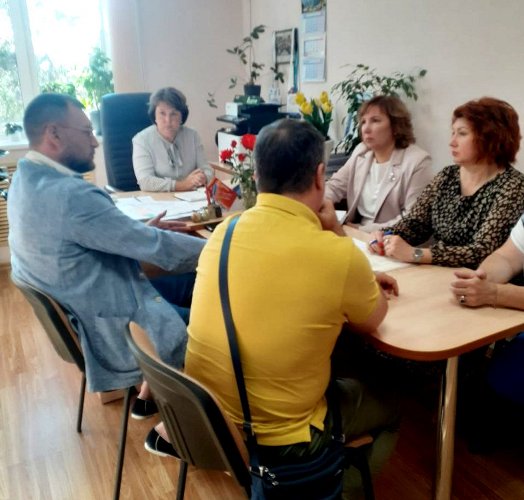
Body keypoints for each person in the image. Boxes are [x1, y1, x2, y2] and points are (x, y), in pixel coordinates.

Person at [180, 119, 400, 498]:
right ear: (319, 176)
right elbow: (374, 318)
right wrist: (339, 240)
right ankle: (338, 490)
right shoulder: (336, 255)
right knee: (392, 404)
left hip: (211, 420)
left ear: (256, 175)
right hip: (284, 439)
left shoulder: (223, 233)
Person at [7, 93, 205, 418]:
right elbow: (159, 247)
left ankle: (153, 395)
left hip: (93, 305)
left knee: (193, 280)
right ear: (53, 134)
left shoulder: (25, 179)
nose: (95, 142)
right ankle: (182, 413)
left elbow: (83, 237)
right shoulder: (70, 195)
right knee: (218, 311)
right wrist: (224, 248)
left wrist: (132, 233)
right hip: (117, 326)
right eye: (87, 132)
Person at [370, 97, 524, 268]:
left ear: (490, 138)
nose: (452, 142)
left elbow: (481, 252)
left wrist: (416, 254)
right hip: (439, 272)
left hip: (483, 279)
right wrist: (385, 235)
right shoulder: (447, 176)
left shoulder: (514, 186)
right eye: (453, 133)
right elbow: (415, 224)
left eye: (462, 133)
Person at [325, 95, 432, 232]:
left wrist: (363, 230)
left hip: (394, 238)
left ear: (395, 126)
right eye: (363, 122)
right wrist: (322, 203)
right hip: (357, 233)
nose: (366, 129)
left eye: (375, 121)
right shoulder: (361, 152)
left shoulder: (417, 161)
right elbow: (335, 186)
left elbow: (412, 218)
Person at [132, 86, 212, 192]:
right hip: (159, 199)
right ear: (154, 116)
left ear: (182, 116)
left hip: (191, 198)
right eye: (162, 113)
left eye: (173, 114)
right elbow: (145, 181)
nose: (168, 120)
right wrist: (183, 185)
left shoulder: (192, 136)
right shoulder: (142, 140)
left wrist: (203, 177)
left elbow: (207, 170)